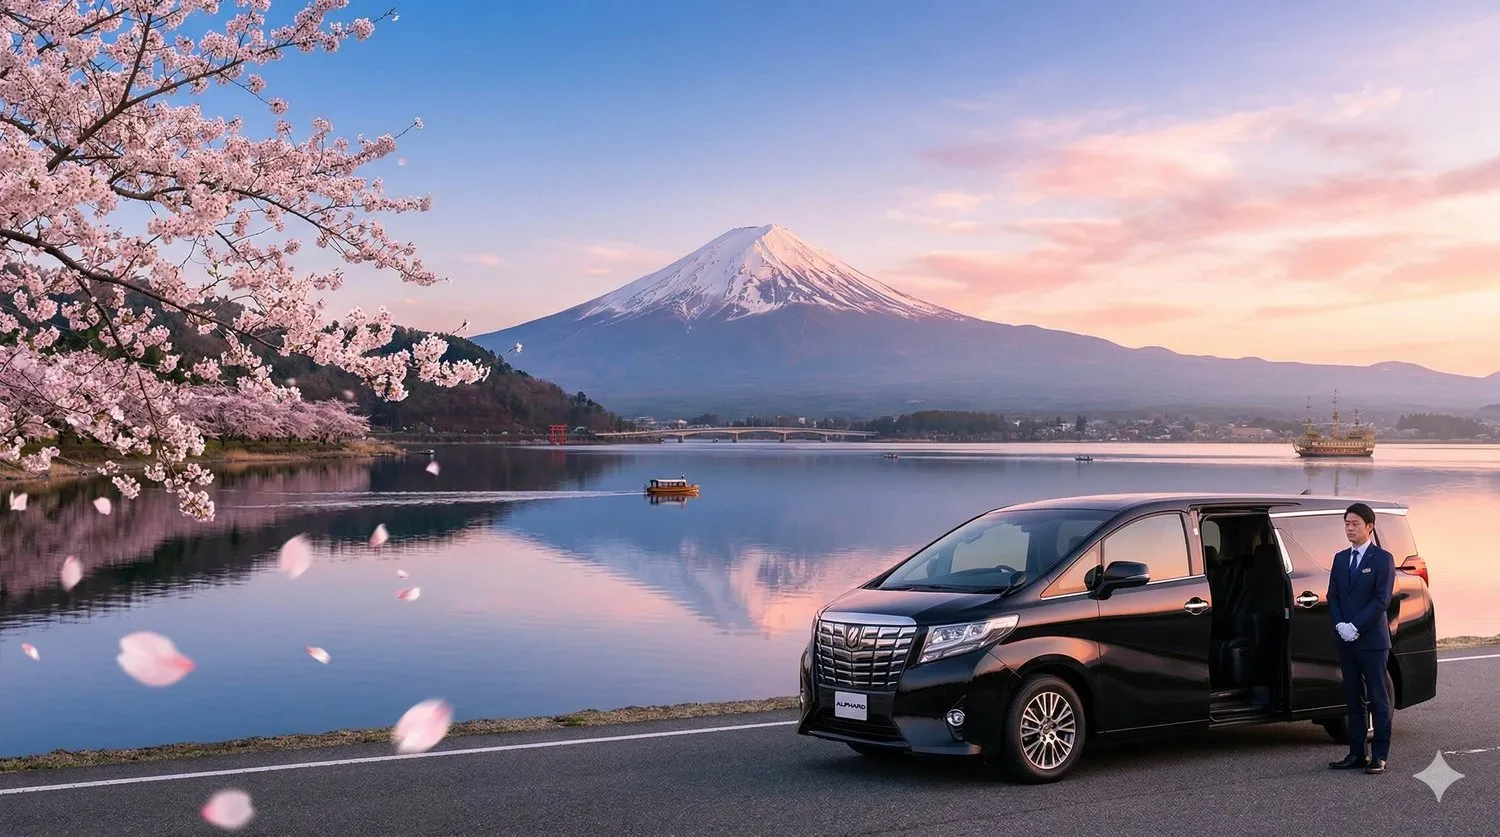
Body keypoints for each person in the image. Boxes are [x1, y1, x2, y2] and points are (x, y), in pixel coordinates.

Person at [1325, 502, 1395, 774]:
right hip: (1346, 638)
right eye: (1346, 523)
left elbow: (1381, 599)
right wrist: (1341, 624)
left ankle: (1379, 756)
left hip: (1372, 641)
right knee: (1353, 699)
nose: (1349, 528)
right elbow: (1332, 596)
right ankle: (1356, 753)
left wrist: (1356, 625)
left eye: (1355, 523)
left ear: (1370, 526)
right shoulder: (1341, 559)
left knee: (1378, 699)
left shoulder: (1382, 558)